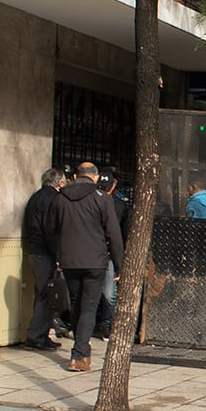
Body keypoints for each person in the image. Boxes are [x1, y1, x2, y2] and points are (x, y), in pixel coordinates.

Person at [50, 159, 123, 372]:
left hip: (69, 261)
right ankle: (80, 354)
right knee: (89, 307)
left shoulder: (60, 198)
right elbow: (114, 235)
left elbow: (50, 228)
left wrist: (59, 254)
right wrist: (119, 265)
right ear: (95, 176)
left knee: (76, 303)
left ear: (75, 176)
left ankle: (79, 347)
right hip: (95, 260)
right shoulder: (101, 198)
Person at [20, 167, 66, 350]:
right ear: (60, 183)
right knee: (45, 295)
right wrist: (57, 256)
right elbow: (50, 231)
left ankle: (41, 334)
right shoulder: (52, 199)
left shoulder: (36, 197)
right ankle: (36, 336)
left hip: (35, 250)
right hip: (44, 253)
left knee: (43, 294)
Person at [95, 172, 128, 340]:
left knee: (108, 294)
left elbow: (119, 234)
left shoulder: (119, 206)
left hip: (107, 254)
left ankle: (105, 325)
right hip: (95, 253)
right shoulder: (92, 201)